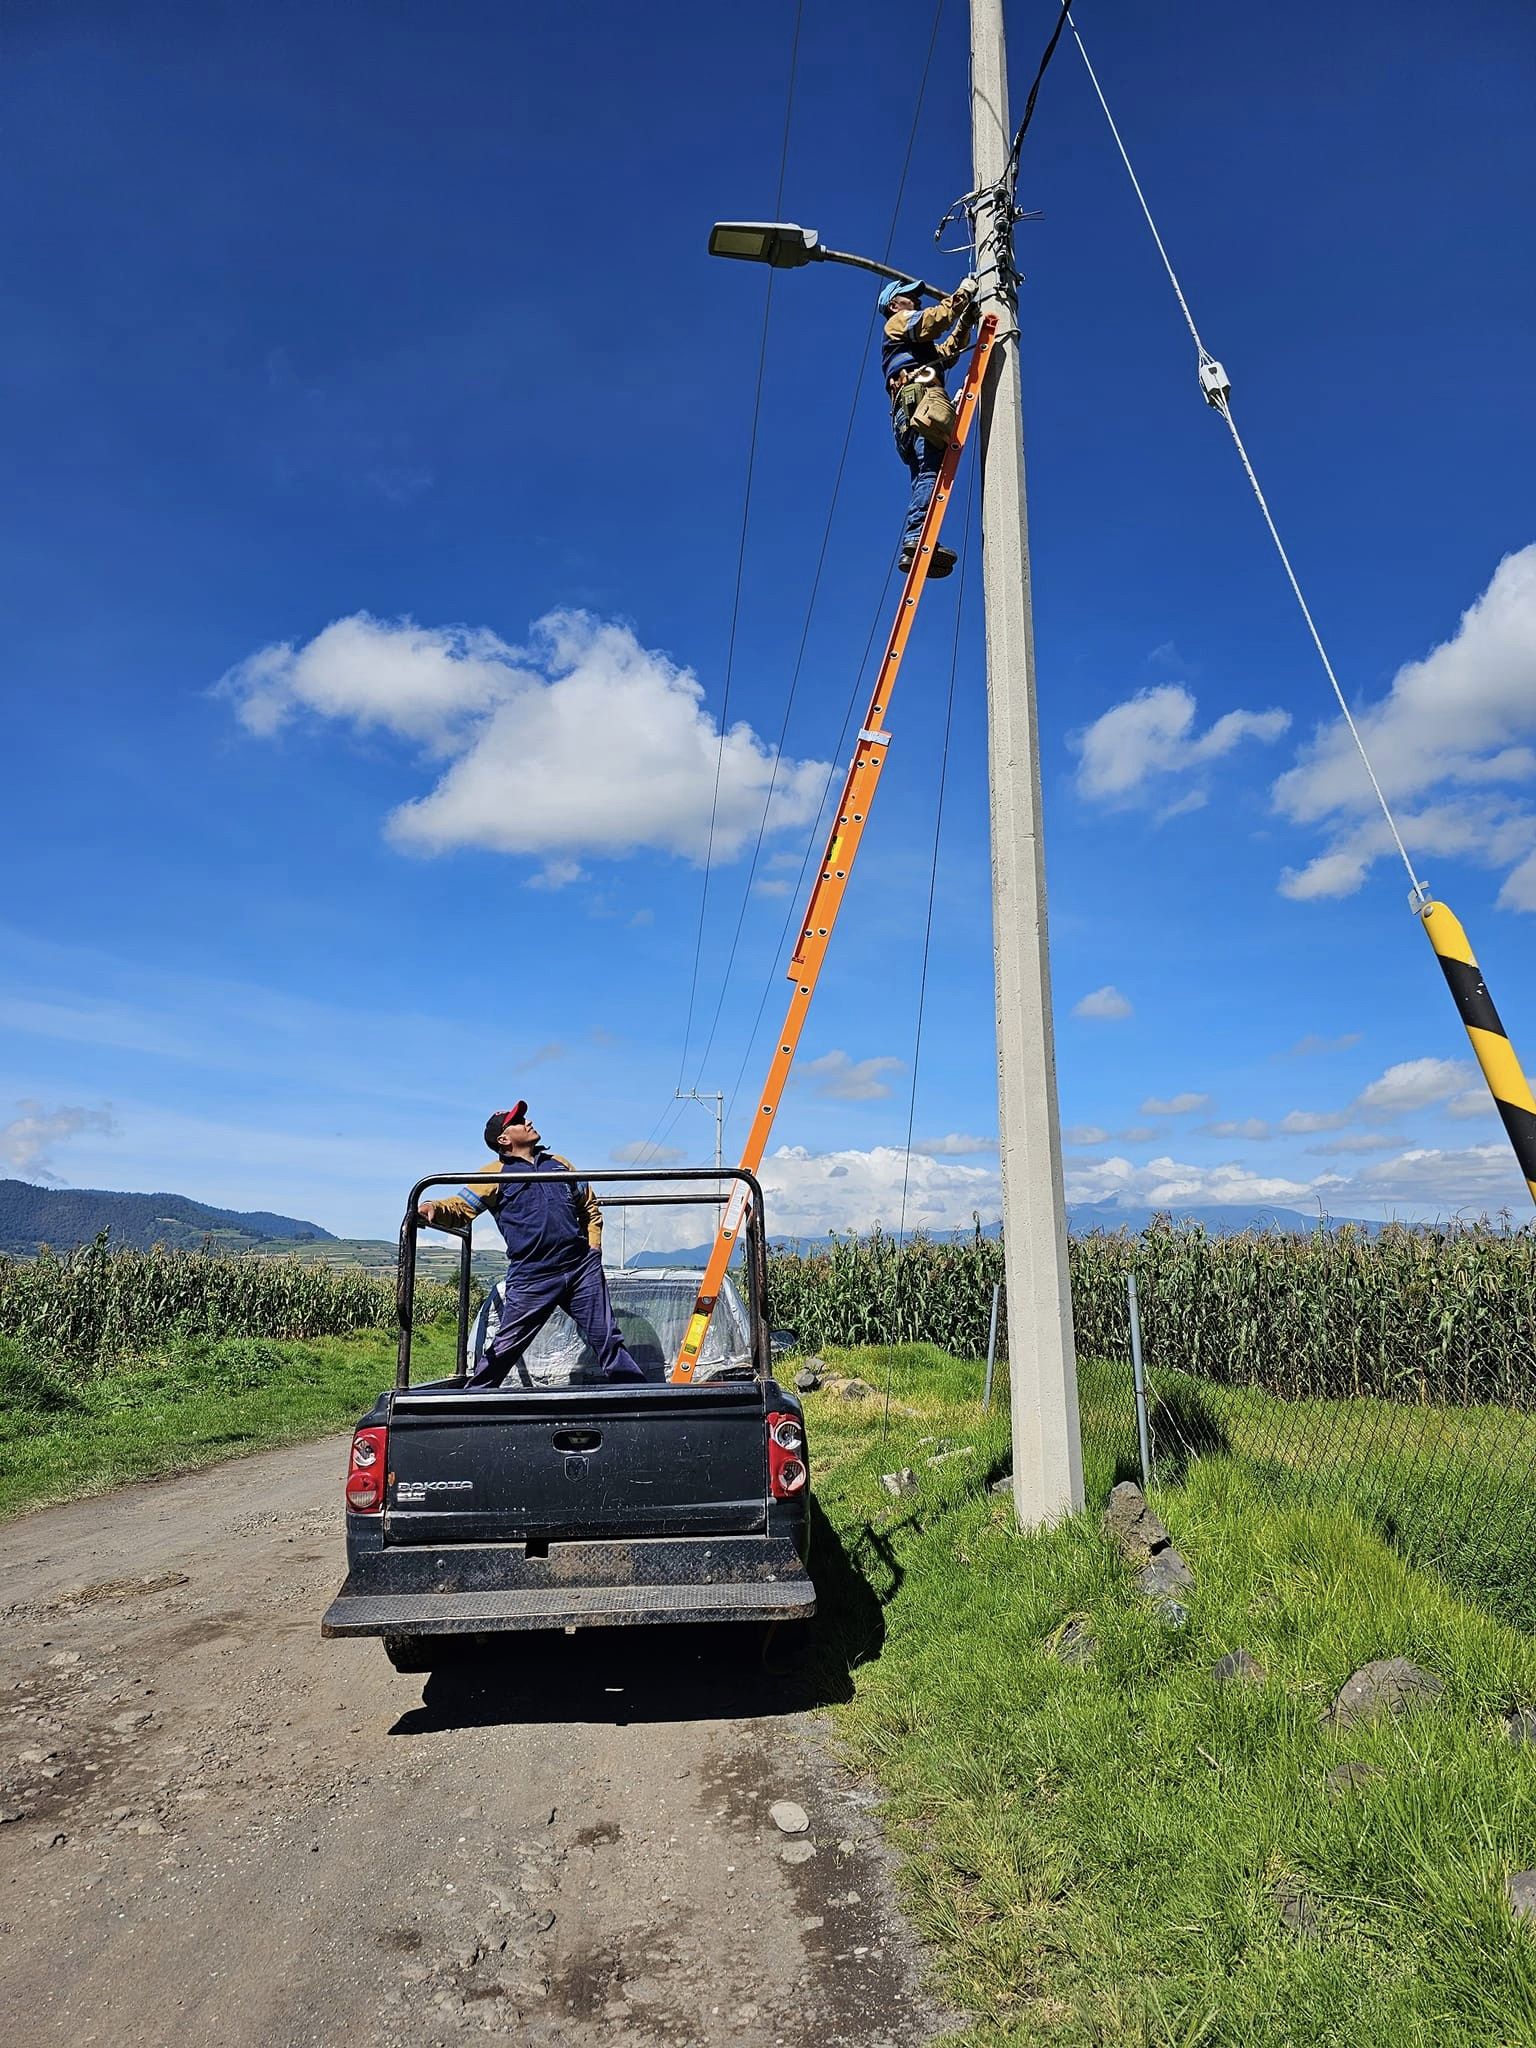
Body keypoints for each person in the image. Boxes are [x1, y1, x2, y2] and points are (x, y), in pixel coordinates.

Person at [419, 1104, 644, 1386]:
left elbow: (589, 1207)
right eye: (520, 1121)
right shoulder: (494, 1174)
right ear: (503, 1139)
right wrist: (432, 1208)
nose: (529, 1122)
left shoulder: (560, 1164)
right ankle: (474, 1399)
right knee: (505, 1346)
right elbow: (460, 1207)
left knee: (607, 1336)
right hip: (532, 1274)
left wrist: (594, 1247)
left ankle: (635, 1393)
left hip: (579, 1268)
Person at [878, 274, 979, 579]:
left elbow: (946, 352)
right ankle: (916, 538)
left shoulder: (916, 349)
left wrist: (966, 320)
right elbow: (932, 321)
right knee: (930, 473)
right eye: (911, 297)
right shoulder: (897, 322)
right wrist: (961, 296)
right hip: (919, 404)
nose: (918, 301)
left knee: (925, 476)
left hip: (908, 413)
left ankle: (921, 539)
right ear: (895, 304)